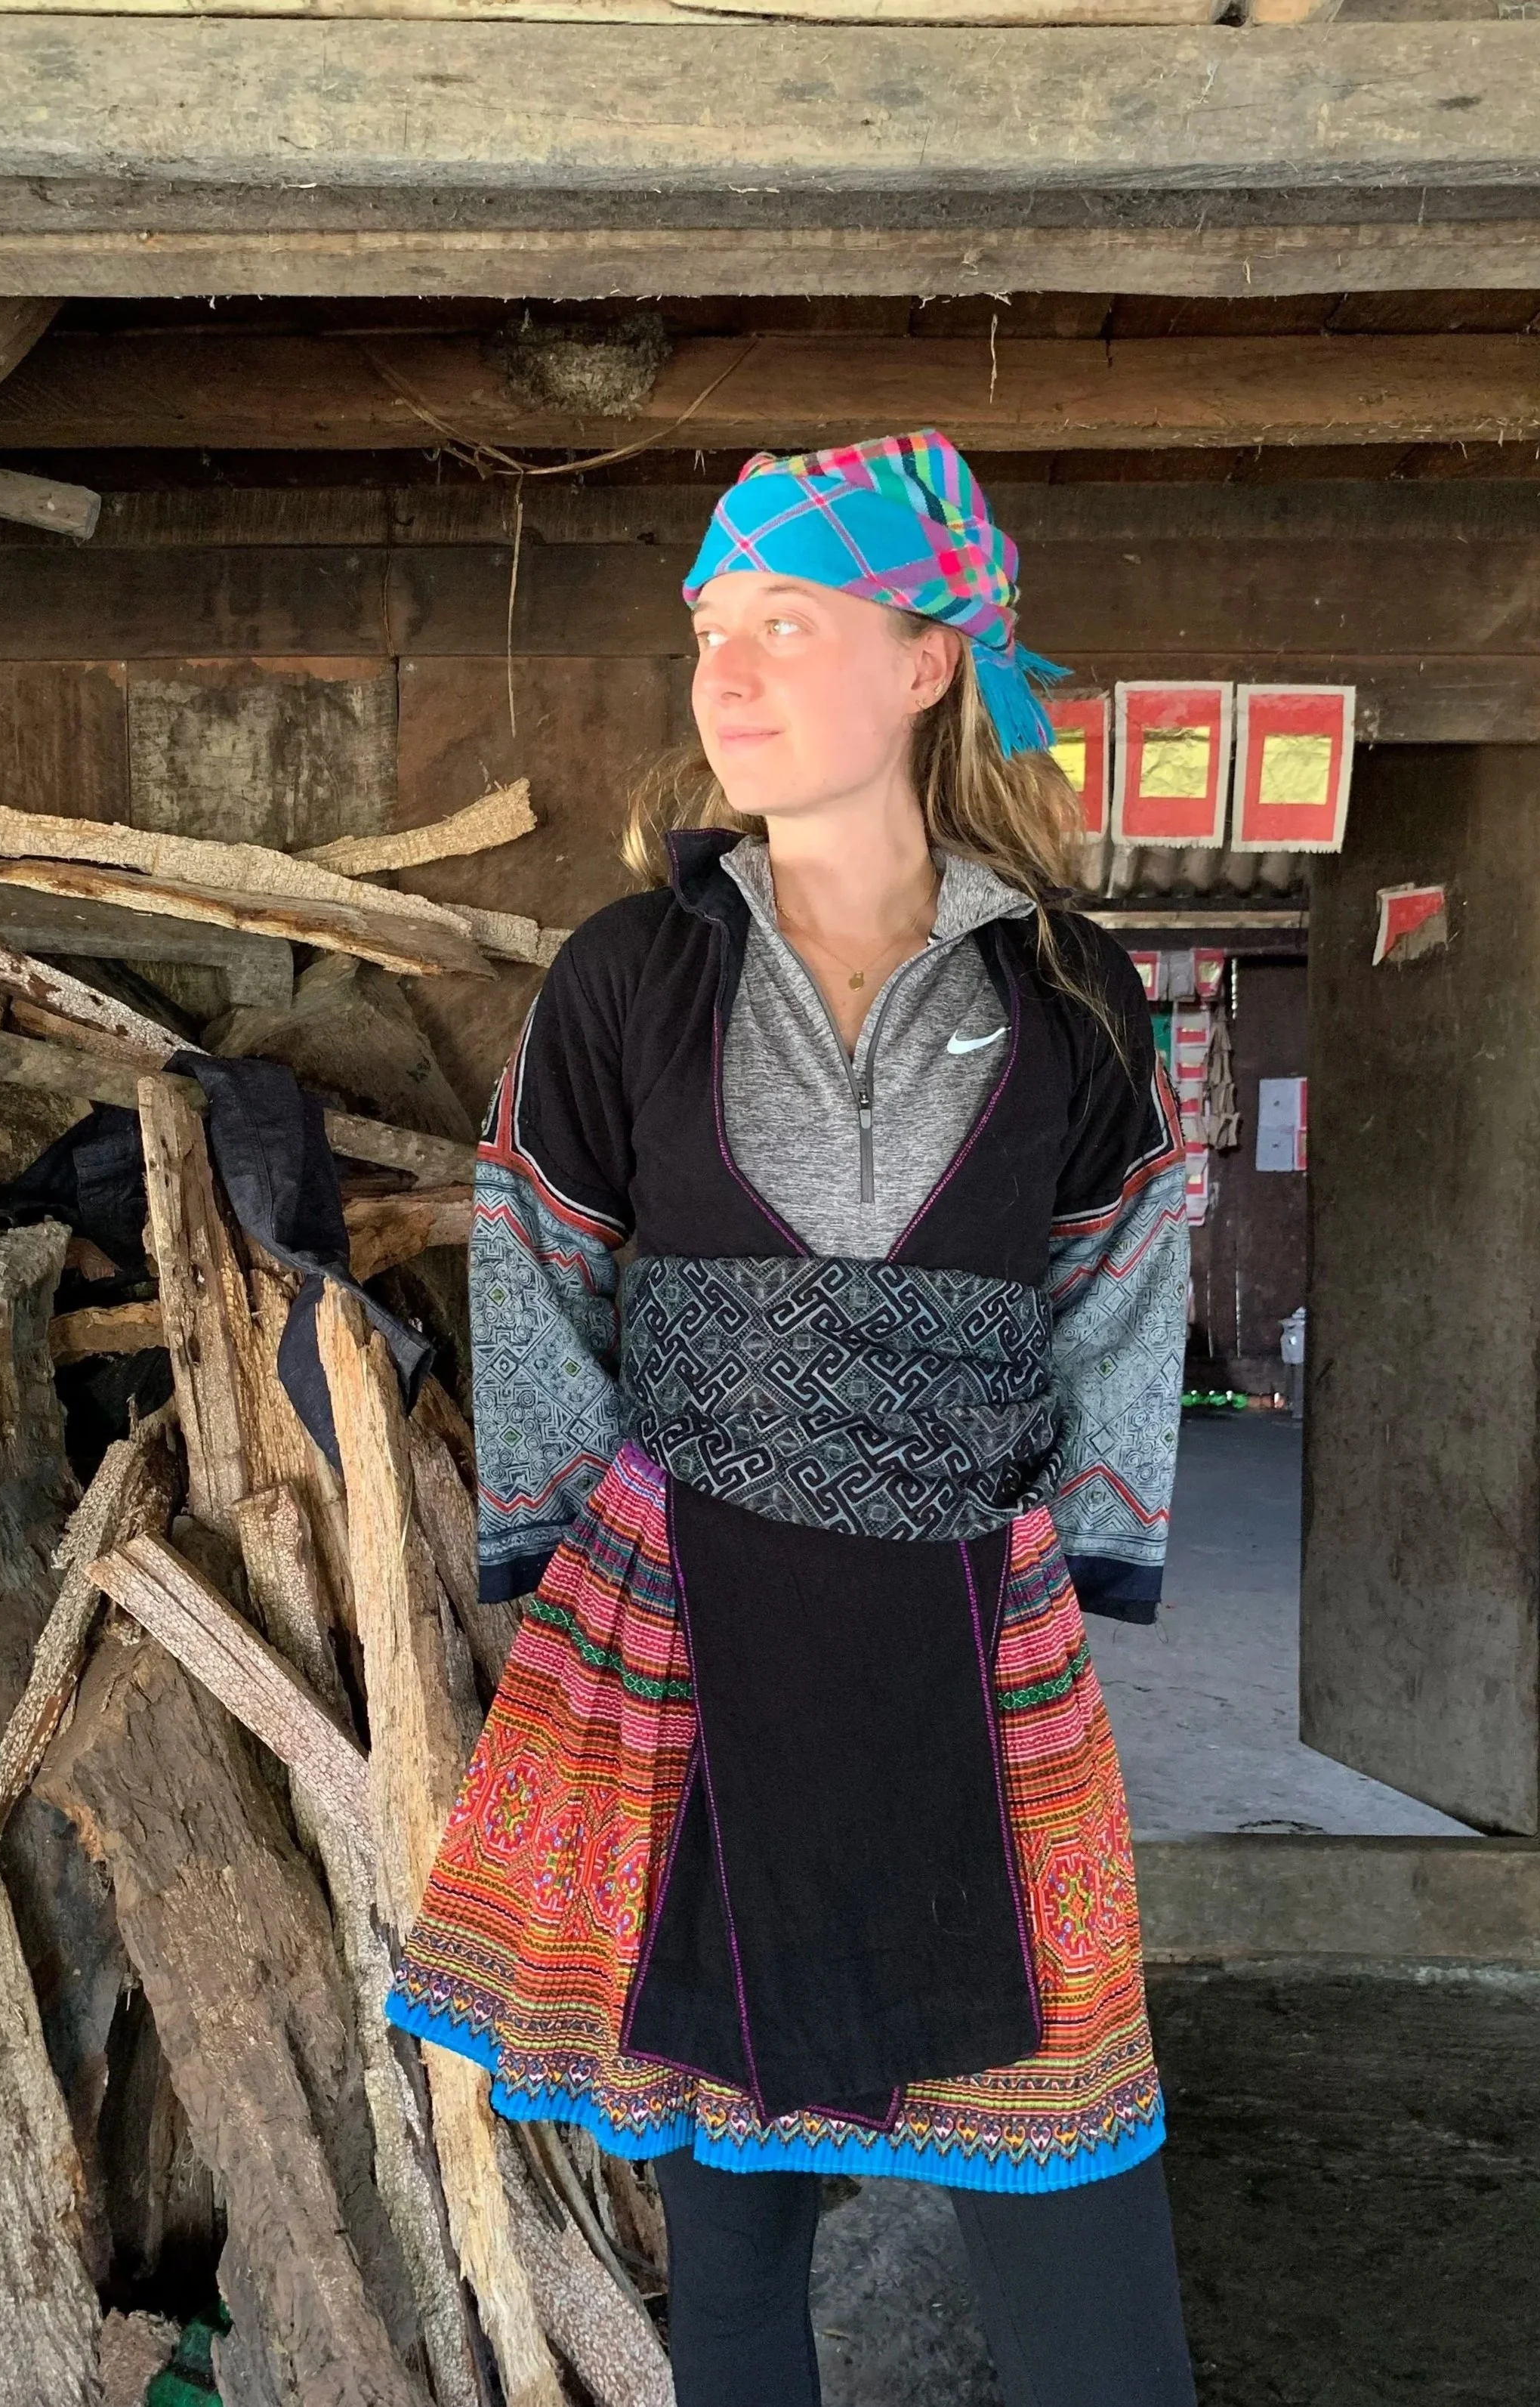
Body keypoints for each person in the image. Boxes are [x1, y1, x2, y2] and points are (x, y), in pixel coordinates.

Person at [387, 430, 1196, 2407]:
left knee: (1077, 2236)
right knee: (731, 2251)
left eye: (786, 624)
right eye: (707, 634)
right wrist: (550, 1576)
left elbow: (1123, 1273)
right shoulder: (628, 977)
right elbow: (538, 1255)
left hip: (964, 1635)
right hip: (683, 1631)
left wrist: (1078, 1542)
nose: (723, 677)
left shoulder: (1072, 994)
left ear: (925, 663)